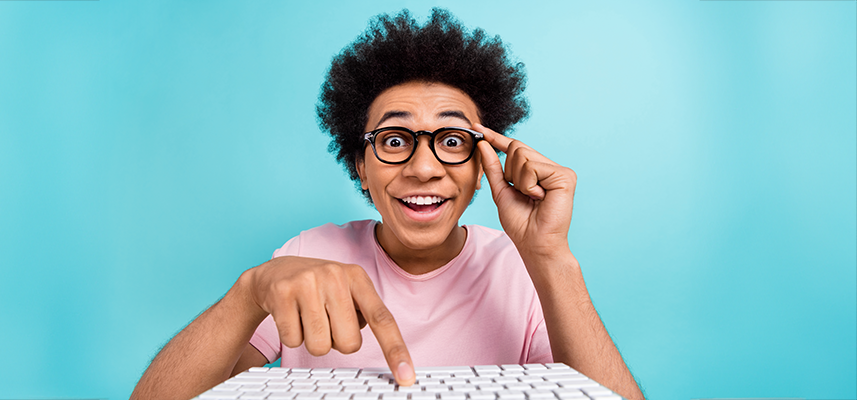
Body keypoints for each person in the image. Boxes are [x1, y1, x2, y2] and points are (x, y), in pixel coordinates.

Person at [130, 9, 644, 400]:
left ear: (484, 163)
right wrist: (246, 296)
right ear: (361, 165)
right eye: (395, 140)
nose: (423, 168)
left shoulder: (523, 269)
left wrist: (550, 256)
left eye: (452, 139)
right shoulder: (309, 252)